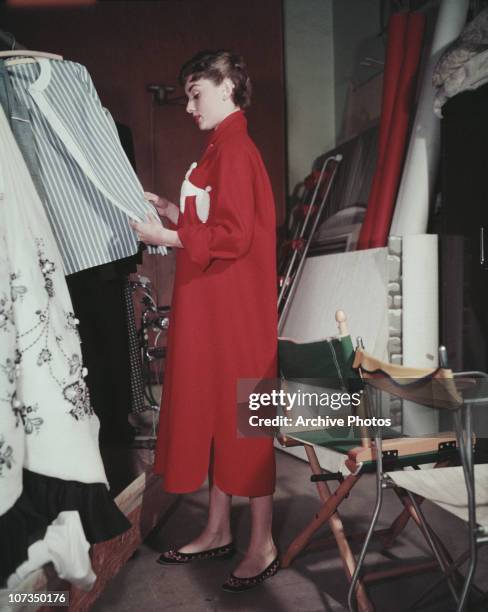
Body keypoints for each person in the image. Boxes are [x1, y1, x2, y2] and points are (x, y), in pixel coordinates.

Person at [130, 50, 279, 592]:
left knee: (247, 419)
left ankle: (261, 543)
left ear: (226, 86)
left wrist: (168, 237)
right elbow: (217, 221)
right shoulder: (219, 146)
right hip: (215, 309)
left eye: (196, 94)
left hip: (235, 314)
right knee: (224, 417)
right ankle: (218, 529)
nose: (189, 107)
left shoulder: (236, 147)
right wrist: (174, 210)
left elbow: (235, 237)